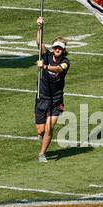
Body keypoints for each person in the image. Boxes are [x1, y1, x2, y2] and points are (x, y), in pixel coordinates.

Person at [35, 16, 69, 162]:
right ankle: (42, 138)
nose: (57, 50)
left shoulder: (66, 62)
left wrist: (45, 67)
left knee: (49, 128)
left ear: (63, 50)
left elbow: (58, 70)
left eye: (60, 48)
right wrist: (39, 27)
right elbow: (39, 43)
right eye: (55, 47)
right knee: (41, 130)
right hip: (42, 97)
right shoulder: (46, 55)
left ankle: (42, 154)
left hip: (56, 100)